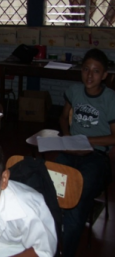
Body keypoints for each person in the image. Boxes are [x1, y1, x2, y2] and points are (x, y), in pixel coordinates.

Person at [56, 48, 115, 257]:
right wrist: (67, 136)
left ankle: (66, 252)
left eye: (96, 71)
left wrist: (86, 141)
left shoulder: (110, 98)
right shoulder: (74, 91)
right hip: (71, 151)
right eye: (86, 69)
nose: (90, 75)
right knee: (50, 190)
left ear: (104, 75)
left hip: (96, 158)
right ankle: (49, 243)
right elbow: (64, 117)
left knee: (75, 200)